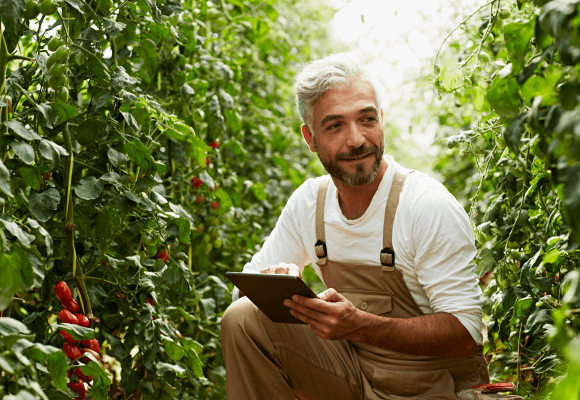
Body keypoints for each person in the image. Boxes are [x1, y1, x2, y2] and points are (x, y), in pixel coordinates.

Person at [220, 53, 493, 400]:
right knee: (243, 317)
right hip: (351, 378)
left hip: (432, 386)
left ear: (381, 119)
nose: (356, 140)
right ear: (310, 137)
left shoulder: (426, 206)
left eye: (366, 119)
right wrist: (274, 281)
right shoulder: (310, 203)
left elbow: (467, 333)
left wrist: (361, 326)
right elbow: (242, 294)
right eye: (334, 126)